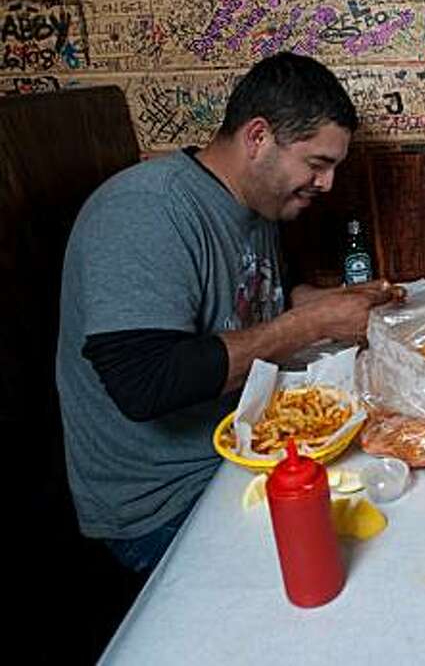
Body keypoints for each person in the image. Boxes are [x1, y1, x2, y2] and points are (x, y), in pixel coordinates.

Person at [56, 52, 401, 574]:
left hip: (243, 454)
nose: (327, 185)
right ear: (258, 137)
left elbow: (263, 299)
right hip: (165, 502)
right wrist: (312, 324)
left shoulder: (258, 203)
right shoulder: (143, 211)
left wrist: (336, 306)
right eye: (317, 164)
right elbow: (145, 382)